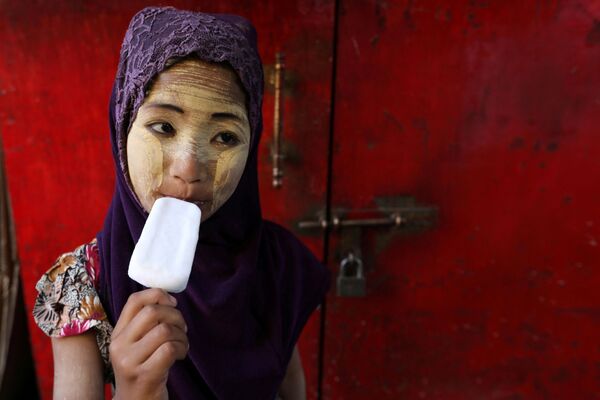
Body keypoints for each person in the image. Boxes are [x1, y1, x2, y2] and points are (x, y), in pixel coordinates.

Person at [32, 7, 330, 400]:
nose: (189, 169)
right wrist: (134, 391)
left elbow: (292, 390)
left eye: (225, 137)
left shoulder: (275, 265)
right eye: (164, 127)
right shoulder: (83, 286)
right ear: (122, 127)